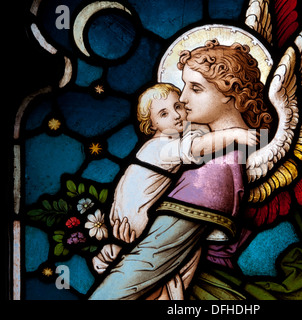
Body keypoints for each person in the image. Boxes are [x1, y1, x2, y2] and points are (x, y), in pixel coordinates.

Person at [88, 40, 270, 300]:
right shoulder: (187, 144)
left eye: (195, 88)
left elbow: (144, 266)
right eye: (184, 86)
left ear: (229, 92)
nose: (182, 99)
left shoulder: (215, 168)